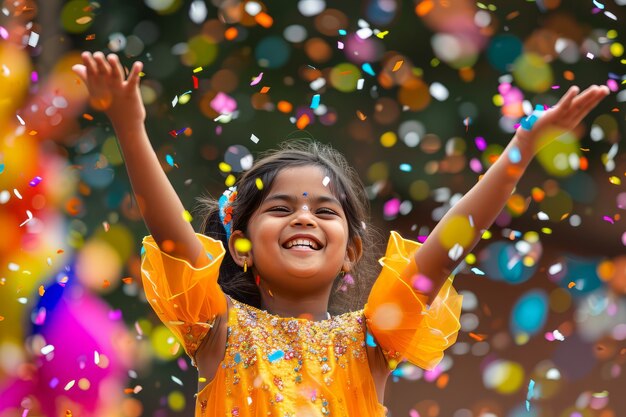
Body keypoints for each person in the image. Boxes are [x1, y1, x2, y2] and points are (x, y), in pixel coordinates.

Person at [72, 51, 609, 416]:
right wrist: (129, 124)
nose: (304, 218)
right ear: (241, 244)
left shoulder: (372, 341)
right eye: (280, 208)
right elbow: (171, 236)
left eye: (325, 211)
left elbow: (446, 250)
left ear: (351, 251)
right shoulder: (220, 329)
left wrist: (519, 154)